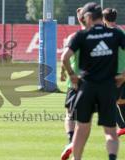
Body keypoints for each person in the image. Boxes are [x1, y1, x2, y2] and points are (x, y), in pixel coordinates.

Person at [61, 2, 125, 160]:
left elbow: (65, 57)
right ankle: (112, 158)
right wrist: (123, 74)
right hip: (108, 87)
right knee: (110, 132)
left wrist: (71, 74)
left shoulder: (81, 36)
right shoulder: (115, 34)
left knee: (81, 129)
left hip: (86, 87)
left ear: (88, 17)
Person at [60, 7, 87, 160]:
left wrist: (64, 73)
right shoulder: (100, 37)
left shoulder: (73, 37)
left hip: (74, 82)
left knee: (70, 114)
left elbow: (65, 58)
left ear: (79, 19)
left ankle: (71, 141)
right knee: (86, 119)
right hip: (93, 83)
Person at [103, 8, 125, 137]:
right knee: (121, 101)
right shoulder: (121, 32)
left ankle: (122, 126)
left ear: (104, 19)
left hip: (114, 73)